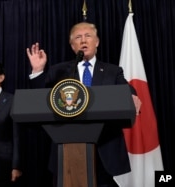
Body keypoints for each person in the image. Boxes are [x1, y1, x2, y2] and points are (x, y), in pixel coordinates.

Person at [26, 22, 142, 187]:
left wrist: (132, 95)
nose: (83, 40)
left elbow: (126, 90)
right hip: (66, 150)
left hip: (104, 149)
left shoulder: (112, 71)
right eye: (78, 38)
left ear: (97, 42)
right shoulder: (59, 71)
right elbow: (40, 101)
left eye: (88, 36)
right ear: (72, 46)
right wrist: (37, 71)